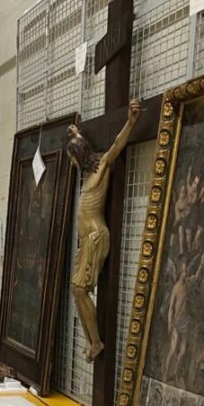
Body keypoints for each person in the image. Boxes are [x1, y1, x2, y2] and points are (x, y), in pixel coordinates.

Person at [66, 99, 141, 361]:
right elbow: (84, 147)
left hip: (96, 237)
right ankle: (91, 342)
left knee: (80, 289)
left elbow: (117, 145)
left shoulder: (101, 167)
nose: (72, 164)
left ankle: (96, 342)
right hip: (86, 240)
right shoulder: (87, 175)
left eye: (72, 158)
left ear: (79, 156)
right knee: (76, 290)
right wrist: (77, 134)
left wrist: (130, 122)